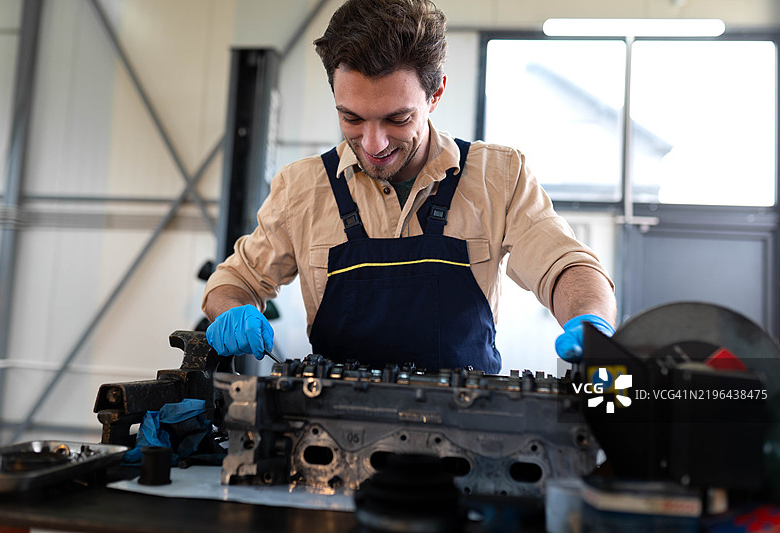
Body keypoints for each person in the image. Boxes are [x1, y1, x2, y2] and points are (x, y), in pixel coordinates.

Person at [202, 0, 616, 374]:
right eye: (351, 118)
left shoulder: (499, 177)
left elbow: (566, 266)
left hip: (466, 425)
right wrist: (233, 309)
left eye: (397, 119)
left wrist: (589, 321)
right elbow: (233, 281)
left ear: (435, 94)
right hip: (332, 425)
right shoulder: (301, 188)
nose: (373, 144)